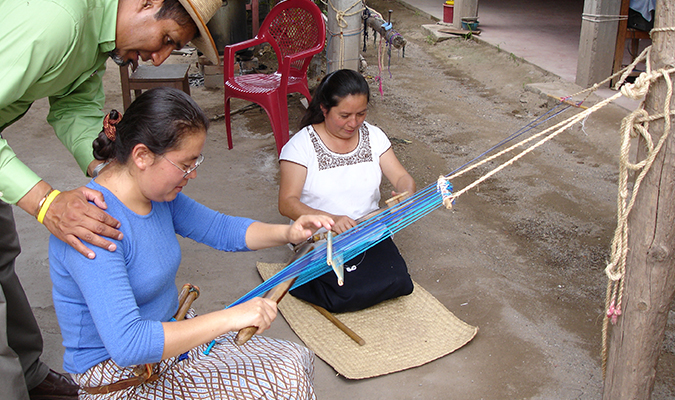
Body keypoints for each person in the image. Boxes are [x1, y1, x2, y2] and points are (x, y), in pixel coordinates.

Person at [0, 0, 222, 398]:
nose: (158, 59)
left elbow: (73, 109)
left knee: (3, 254)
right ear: (147, 3)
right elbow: (128, 342)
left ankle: (30, 373)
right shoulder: (58, 20)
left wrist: (111, 170)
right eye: (166, 39)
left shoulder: (96, 42)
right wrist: (45, 202)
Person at [49, 87, 333, 398]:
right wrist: (230, 318)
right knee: (279, 385)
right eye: (186, 164)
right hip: (119, 376)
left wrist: (289, 234)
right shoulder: (92, 225)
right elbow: (129, 344)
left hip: (171, 337)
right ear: (142, 155)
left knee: (292, 362)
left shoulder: (156, 196)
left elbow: (220, 229)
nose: (192, 174)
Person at [278, 69, 417, 313]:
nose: (353, 123)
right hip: (322, 240)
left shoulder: (374, 137)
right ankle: (301, 274)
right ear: (324, 109)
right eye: (344, 115)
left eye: (361, 114)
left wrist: (405, 194)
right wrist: (331, 220)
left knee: (399, 281)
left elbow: (402, 177)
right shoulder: (300, 146)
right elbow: (287, 203)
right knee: (346, 294)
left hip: (368, 232)